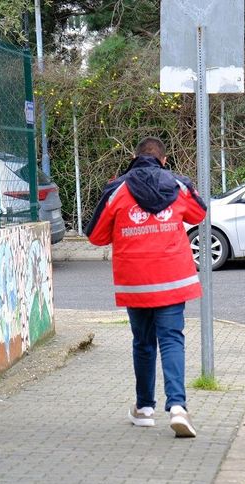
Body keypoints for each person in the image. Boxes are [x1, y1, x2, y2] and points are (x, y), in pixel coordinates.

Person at [87, 137, 206, 437]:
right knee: (171, 340)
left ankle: (144, 408)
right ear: (164, 160)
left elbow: (96, 236)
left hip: (135, 281)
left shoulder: (117, 189)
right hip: (173, 278)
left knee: (142, 342)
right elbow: (199, 214)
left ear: (134, 157)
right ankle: (178, 407)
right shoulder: (178, 186)